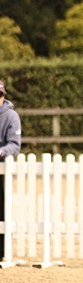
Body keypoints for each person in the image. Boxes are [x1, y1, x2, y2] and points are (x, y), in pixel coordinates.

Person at [0, 80, 20, 261]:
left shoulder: (11, 116)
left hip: (2, 169)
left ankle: (1, 252)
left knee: (1, 209)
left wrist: (1, 151)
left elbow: (14, 145)